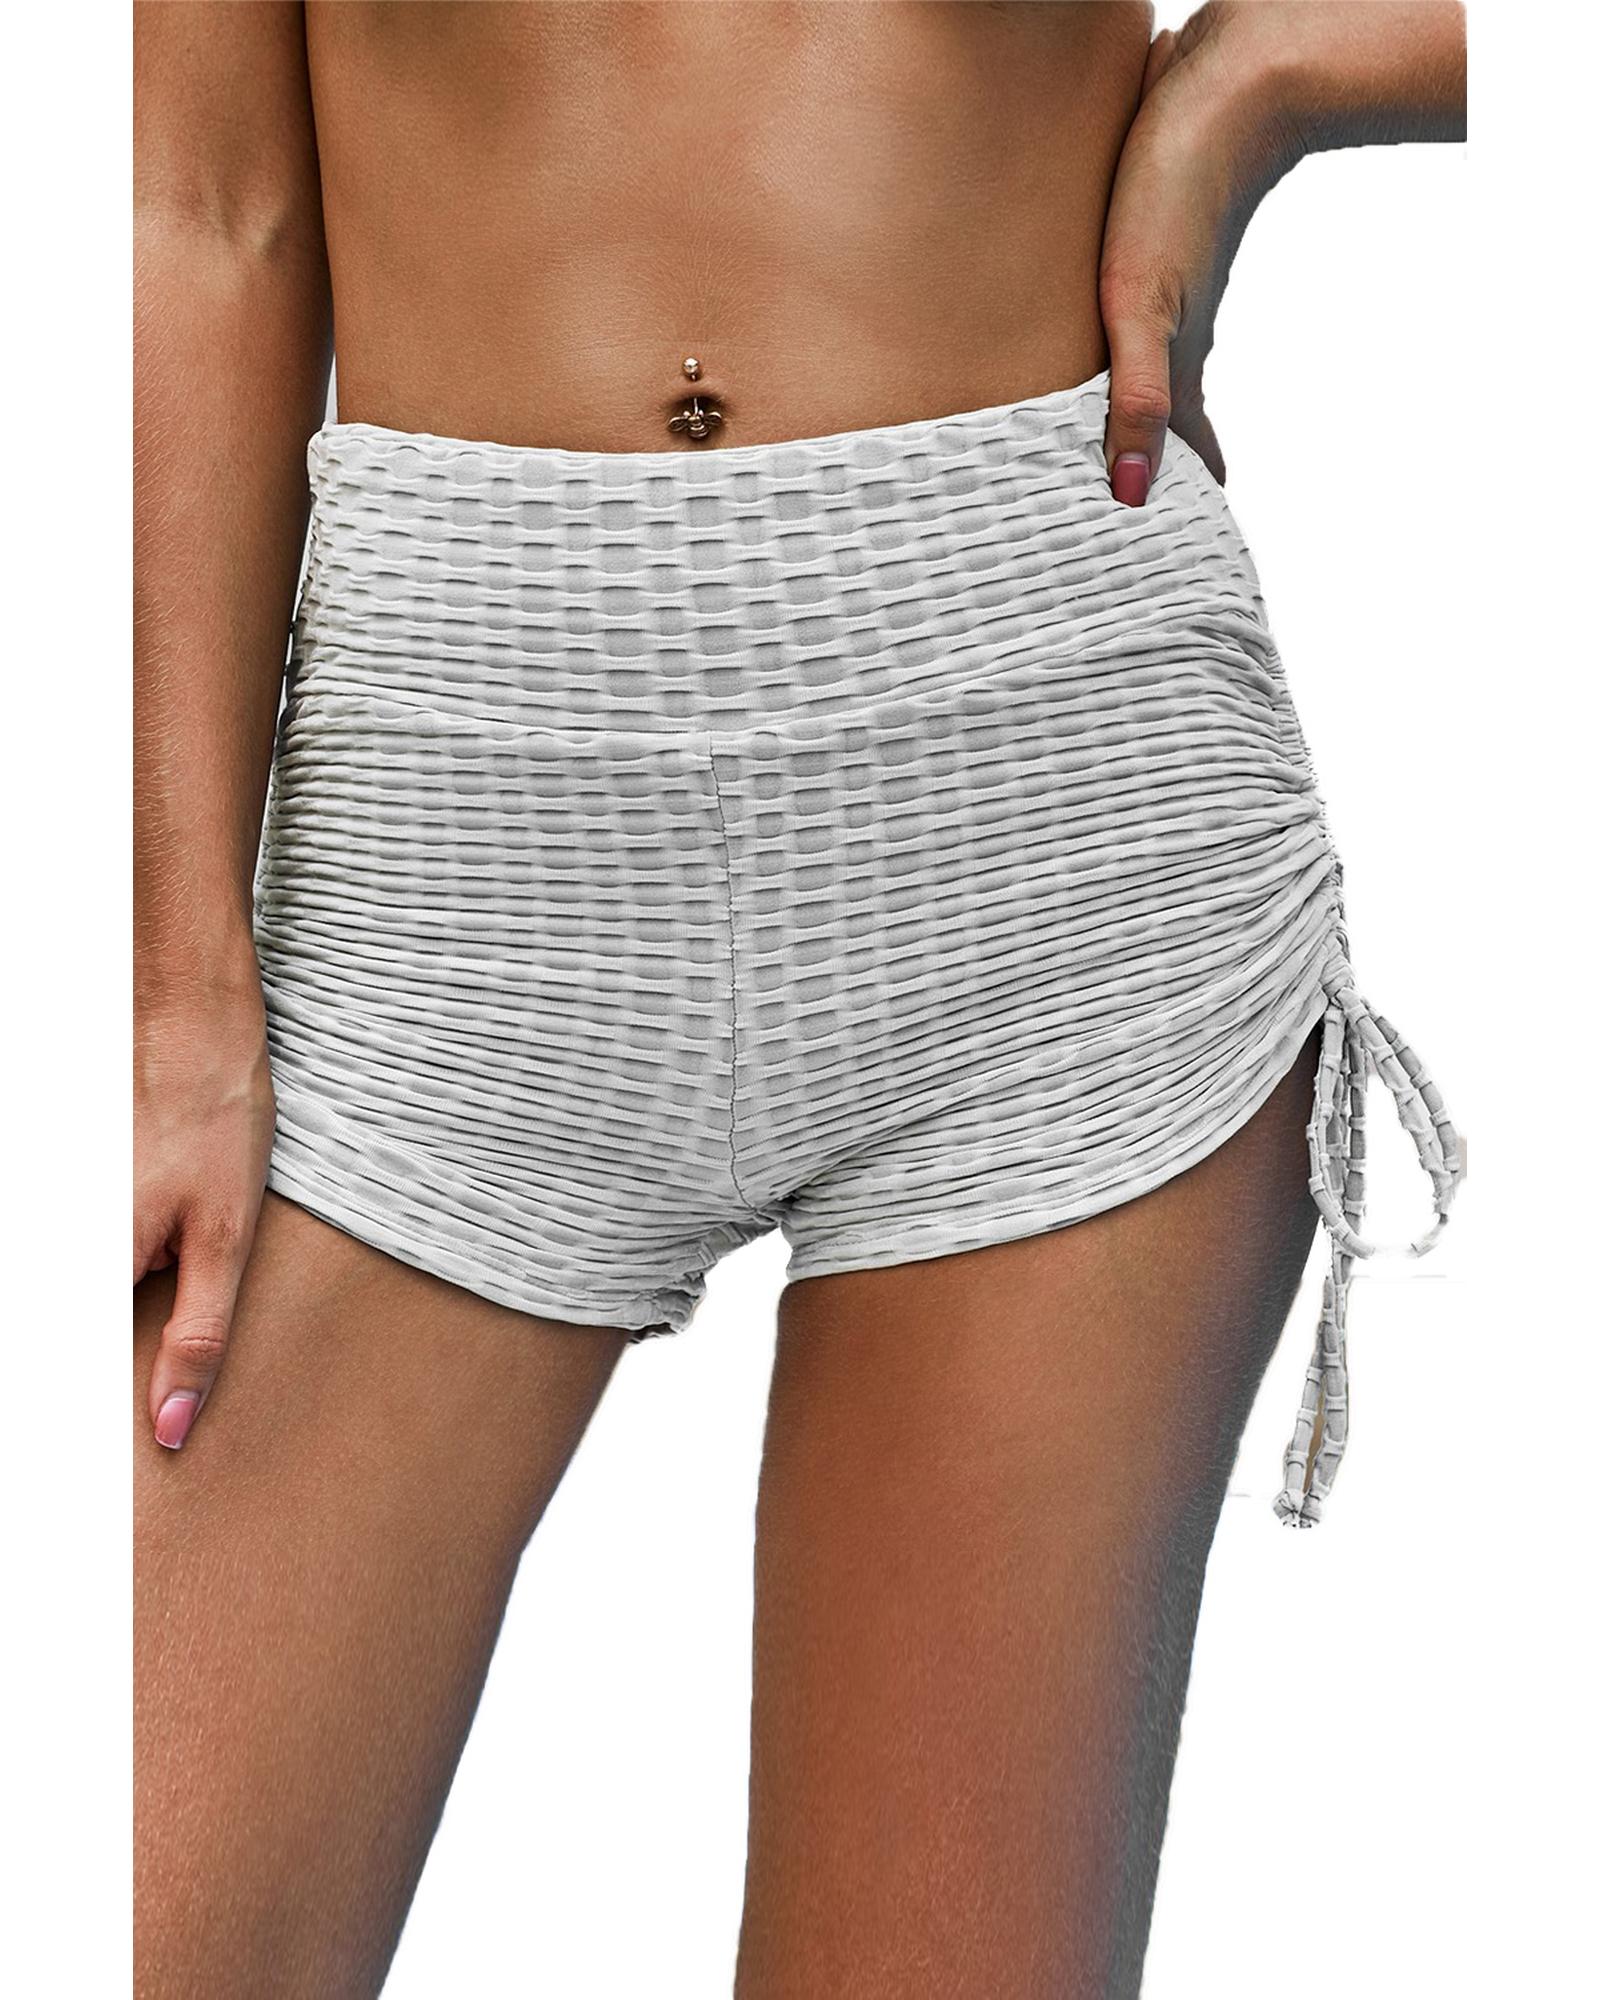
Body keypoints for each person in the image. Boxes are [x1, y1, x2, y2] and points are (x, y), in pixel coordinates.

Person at [133, 4, 1467, 1992]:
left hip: (1047, 832)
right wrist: (173, 985)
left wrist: (1258, 76)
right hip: (436, 889)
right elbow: (204, 205)